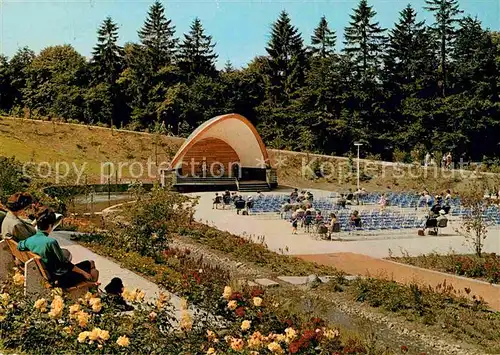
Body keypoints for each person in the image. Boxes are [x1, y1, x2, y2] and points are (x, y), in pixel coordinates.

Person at [18, 208, 99, 288]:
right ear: (50, 225)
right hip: (60, 279)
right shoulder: (51, 242)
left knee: (88, 264)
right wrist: (84, 273)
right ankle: (92, 290)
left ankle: (90, 287)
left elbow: (19, 246)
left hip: (48, 274)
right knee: (92, 266)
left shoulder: (29, 240)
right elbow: (66, 264)